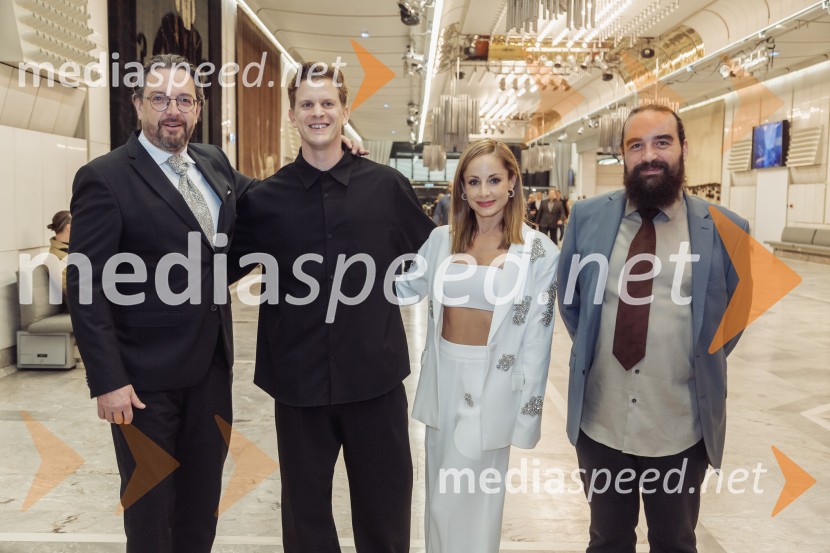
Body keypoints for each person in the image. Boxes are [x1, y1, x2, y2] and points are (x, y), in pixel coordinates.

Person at [229, 62, 435, 553]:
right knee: (305, 522)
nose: (317, 112)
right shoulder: (264, 201)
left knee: (385, 515)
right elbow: (217, 270)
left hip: (375, 382)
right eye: (306, 104)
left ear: (346, 111)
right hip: (297, 386)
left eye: (327, 103)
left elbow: (435, 259)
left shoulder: (386, 188)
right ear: (291, 115)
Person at [67, 54, 254, 553]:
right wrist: (107, 380)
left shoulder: (213, 163)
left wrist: (332, 148)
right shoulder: (105, 177)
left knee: (201, 508)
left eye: (184, 100)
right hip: (142, 383)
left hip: (211, 371)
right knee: (151, 516)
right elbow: (86, 285)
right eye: (159, 99)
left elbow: (267, 204)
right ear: (137, 105)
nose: (172, 111)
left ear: (198, 108)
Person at [557, 104, 750, 553]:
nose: (649, 155)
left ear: (684, 148)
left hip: (679, 424)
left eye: (662, 142)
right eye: (635, 145)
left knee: (675, 542)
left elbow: (735, 314)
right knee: (607, 540)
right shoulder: (587, 219)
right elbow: (571, 301)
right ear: (622, 155)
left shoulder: (725, 229)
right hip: (601, 423)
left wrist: (698, 357)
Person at [396, 139, 559, 553]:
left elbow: (538, 340)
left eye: (493, 180)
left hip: (495, 385)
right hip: (444, 380)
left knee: (479, 500)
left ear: (511, 184)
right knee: (439, 500)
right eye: (473, 182)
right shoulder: (440, 241)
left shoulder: (539, 251)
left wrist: (527, 419)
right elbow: (402, 289)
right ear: (462, 190)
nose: (483, 192)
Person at [47, 210, 71, 302]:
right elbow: (70, 289)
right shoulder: (54, 257)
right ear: (69, 227)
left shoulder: (72, 248)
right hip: (81, 303)